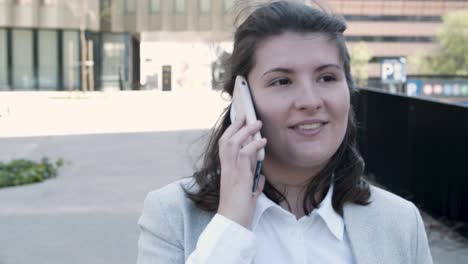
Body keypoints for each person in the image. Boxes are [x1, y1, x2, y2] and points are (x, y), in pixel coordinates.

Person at [136, 1, 433, 263]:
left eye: (327, 77)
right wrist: (230, 225)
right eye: (282, 81)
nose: (310, 101)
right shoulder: (172, 215)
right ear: (242, 101)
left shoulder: (400, 222)